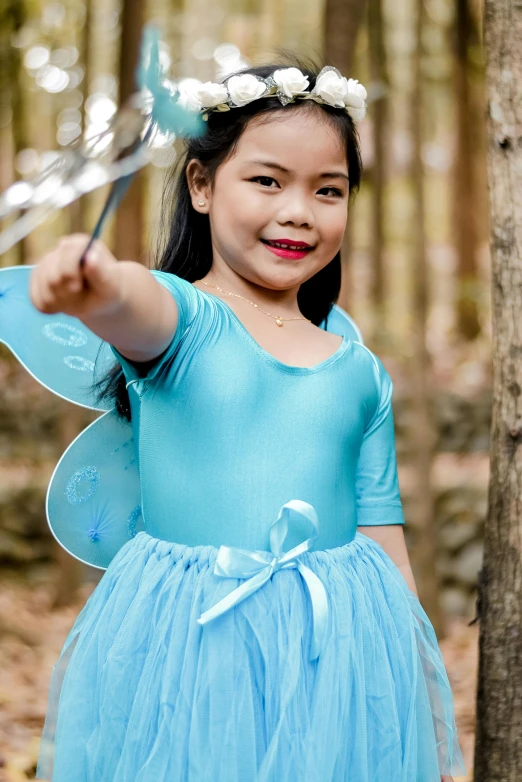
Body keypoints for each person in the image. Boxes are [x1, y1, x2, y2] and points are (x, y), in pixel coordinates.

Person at [21, 59, 465, 781]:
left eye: (329, 190)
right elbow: (131, 302)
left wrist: (422, 714)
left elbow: (386, 544)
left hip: (336, 654)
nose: (299, 211)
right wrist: (92, 279)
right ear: (201, 185)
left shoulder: (360, 372)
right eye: (267, 180)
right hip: (193, 642)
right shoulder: (184, 321)